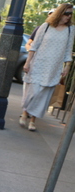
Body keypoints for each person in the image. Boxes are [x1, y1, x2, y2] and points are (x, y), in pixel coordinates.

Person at [21, 3, 75, 131]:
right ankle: (24, 113)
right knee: (32, 92)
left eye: (71, 14)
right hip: (38, 64)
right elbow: (34, 46)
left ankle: (33, 119)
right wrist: (27, 63)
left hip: (54, 67)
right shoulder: (46, 27)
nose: (69, 16)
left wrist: (67, 66)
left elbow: (68, 49)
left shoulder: (70, 29)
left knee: (43, 95)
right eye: (66, 13)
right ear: (59, 13)